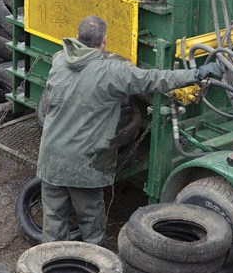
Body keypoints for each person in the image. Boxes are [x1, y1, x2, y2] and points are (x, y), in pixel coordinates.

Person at [37, 15, 222, 247]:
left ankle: (48, 272)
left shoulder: (58, 61)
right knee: (91, 228)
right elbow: (156, 79)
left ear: (77, 36)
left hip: (50, 159)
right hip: (84, 166)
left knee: (53, 225)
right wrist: (197, 74)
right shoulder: (114, 72)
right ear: (104, 41)